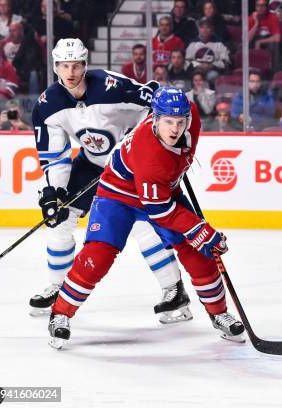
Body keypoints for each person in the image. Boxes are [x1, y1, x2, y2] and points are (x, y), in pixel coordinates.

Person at [47, 86, 245, 348]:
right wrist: (198, 228)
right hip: (118, 196)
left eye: (180, 122)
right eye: (168, 122)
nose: (175, 129)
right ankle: (59, 314)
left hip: (163, 191)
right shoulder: (149, 154)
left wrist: (199, 234)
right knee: (97, 256)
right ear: (155, 118)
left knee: (198, 253)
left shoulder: (191, 115)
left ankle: (219, 314)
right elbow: (161, 211)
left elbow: (165, 193)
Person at [31, 39, 193, 325]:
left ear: (85, 65)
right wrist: (52, 192)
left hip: (130, 167)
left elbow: (153, 102)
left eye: (77, 65)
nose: (71, 72)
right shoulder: (48, 104)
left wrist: (138, 148)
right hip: (91, 163)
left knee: (144, 226)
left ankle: (174, 292)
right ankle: (58, 288)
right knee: (60, 219)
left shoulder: (112, 86)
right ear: (55, 67)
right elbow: (56, 155)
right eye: (64, 66)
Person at [185, 17, 231, 84]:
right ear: (199, 29)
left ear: (212, 29)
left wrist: (212, 65)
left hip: (213, 71)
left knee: (212, 76)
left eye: (207, 27)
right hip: (196, 71)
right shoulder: (192, 43)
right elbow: (187, 61)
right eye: (202, 27)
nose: (204, 30)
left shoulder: (219, 43)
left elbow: (225, 61)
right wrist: (198, 65)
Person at [248, 0, 281, 72]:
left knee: (274, 45)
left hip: (267, 41)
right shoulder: (250, 19)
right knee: (243, 47)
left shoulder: (273, 17)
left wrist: (260, 42)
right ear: (255, 7)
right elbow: (246, 40)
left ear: (267, 7)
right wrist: (256, 24)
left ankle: (274, 73)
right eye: (258, 5)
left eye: (263, 5)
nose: (260, 8)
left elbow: (277, 38)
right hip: (253, 41)